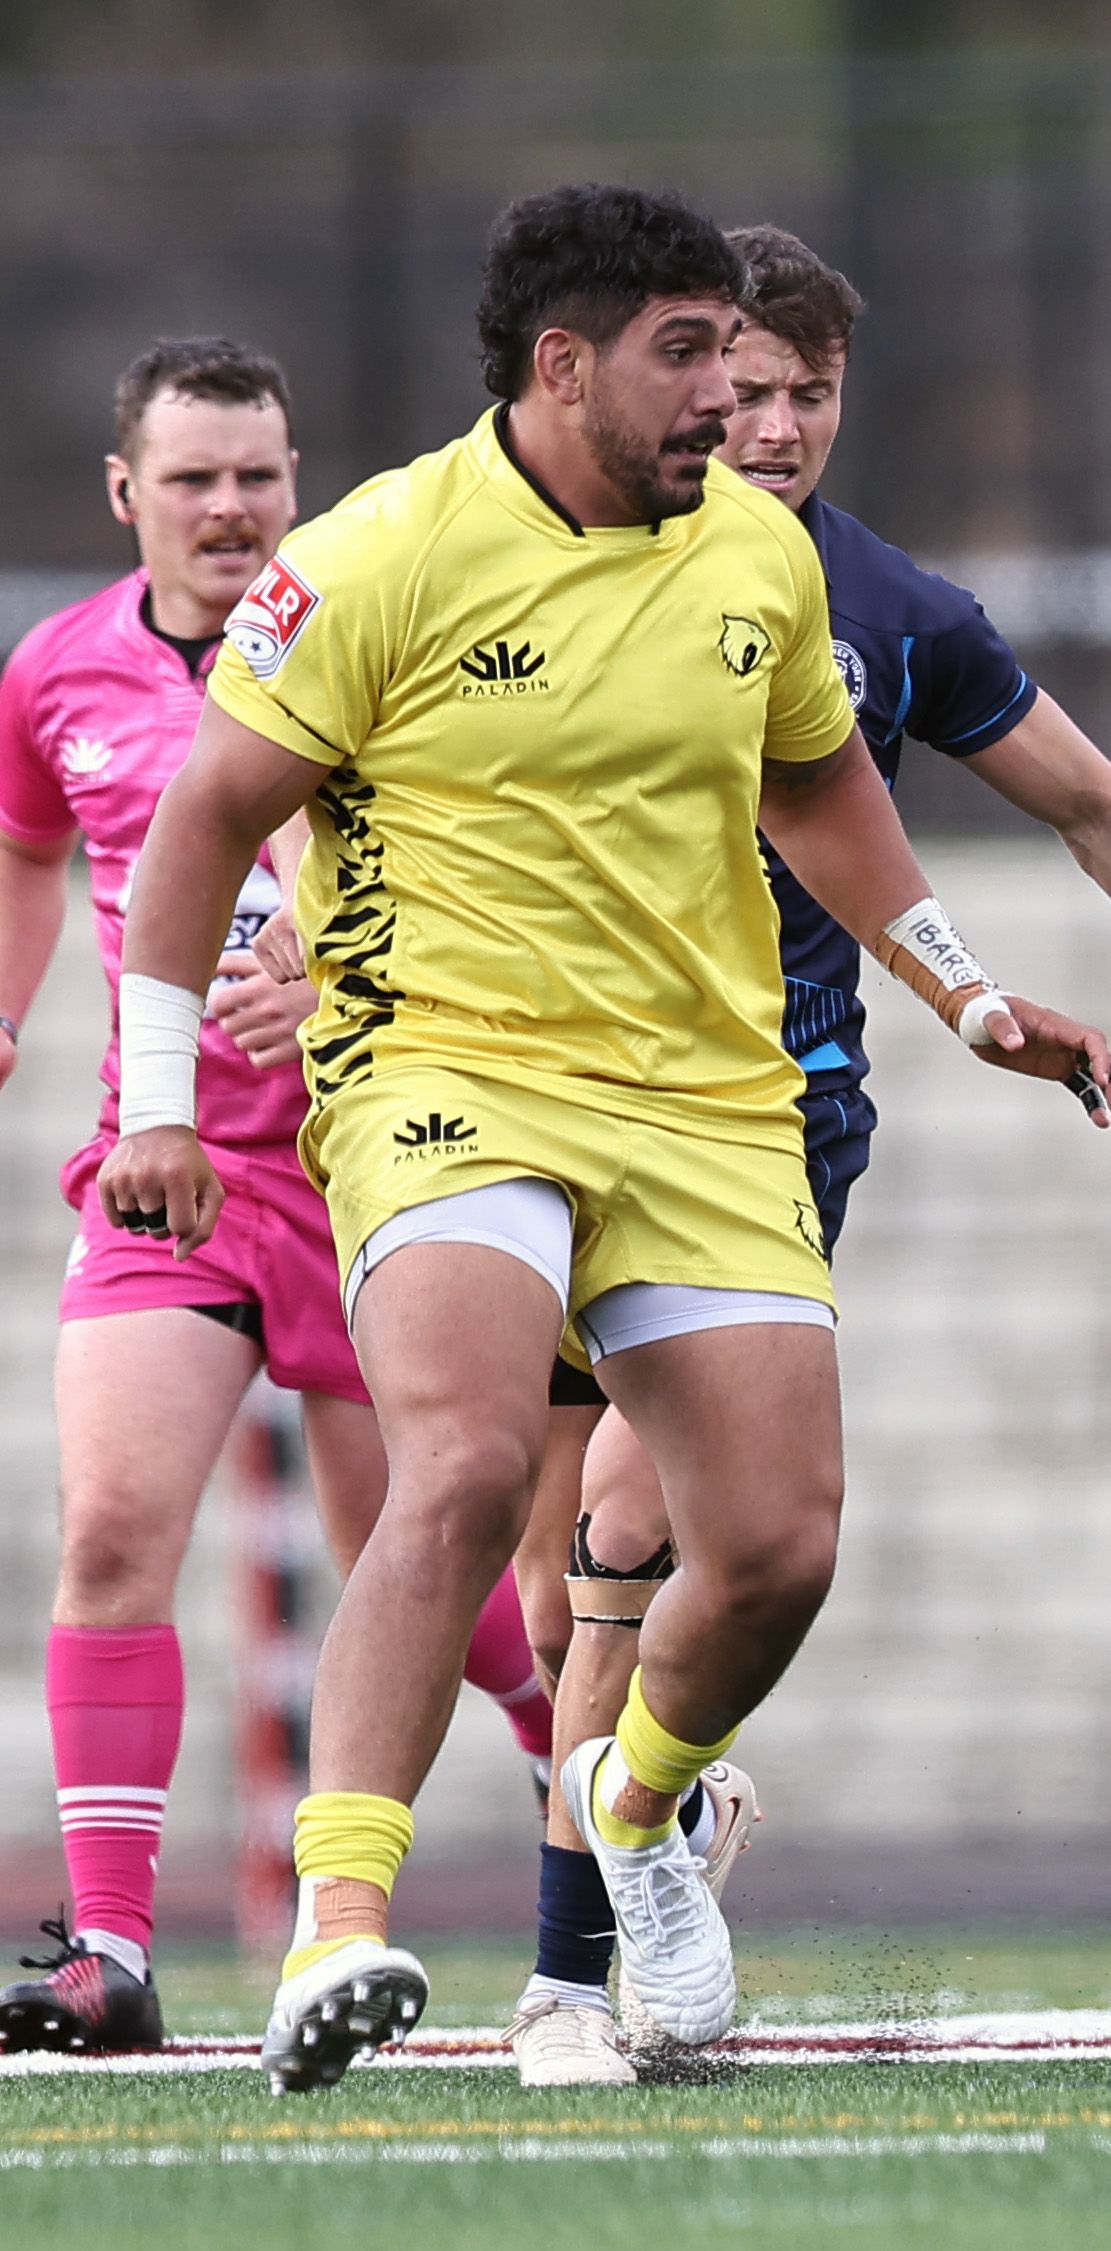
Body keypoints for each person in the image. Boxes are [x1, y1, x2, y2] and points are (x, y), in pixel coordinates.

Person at [100, 184, 1111, 2095]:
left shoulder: (757, 558)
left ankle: (634, 1807)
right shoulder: (380, 552)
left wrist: (966, 993)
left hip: (708, 1094)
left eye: (740, 362)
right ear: (562, 367)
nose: (731, 401)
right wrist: (155, 1105)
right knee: (476, 1461)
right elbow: (197, 827)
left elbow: (823, 789)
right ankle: (344, 1923)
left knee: (779, 1549)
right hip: (448, 1073)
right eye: (686, 357)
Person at [492, 225, 1111, 2085]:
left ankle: (569, 1977)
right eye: (746, 386)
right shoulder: (520, 555)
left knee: (636, 1531)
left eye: (810, 393)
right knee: (552, 1582)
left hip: (760, 1120)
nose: (773, 422)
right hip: (530, 1108)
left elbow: (1098, 806)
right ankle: (659, 1825)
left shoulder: (890, 611)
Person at [0, 342, 546, 2056]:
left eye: (259, 475)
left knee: (436, 1566)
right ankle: (109, 1953)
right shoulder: (56, 673)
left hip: (374, 1162)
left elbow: (466, 867)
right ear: (126, 495)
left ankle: (601, 1810)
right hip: (168, 1176)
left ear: (296, 481)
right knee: (110, 1532)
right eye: (194, 480)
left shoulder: (362, 638)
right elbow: (29, 848)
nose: (232, 509)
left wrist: (328, 977)